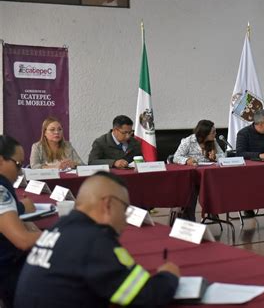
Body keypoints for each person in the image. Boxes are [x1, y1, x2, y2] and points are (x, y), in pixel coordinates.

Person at [15, 171, 180, 308]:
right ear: (108, 204)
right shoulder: (95, 241)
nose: (125, 218)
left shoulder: (61, 226)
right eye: (125, 209)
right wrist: (168, 276)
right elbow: (145, 297)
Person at [0, 135, 41, 307]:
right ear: (1, 160)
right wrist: (58, 234)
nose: (20, 172)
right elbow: (22, 241)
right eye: (18, 165)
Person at [173, 120, 224, 221]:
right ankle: (189, 218)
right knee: (190, 191)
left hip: (208, 175)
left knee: (219, 184)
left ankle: (212, 209)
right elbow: (176, 157)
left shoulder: (213, 141)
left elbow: (223, 156)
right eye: (213, 132)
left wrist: (215, 157)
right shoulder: (188, 141)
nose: (215, 134)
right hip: (192, 176)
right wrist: (187, 160)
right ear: (204, 133)